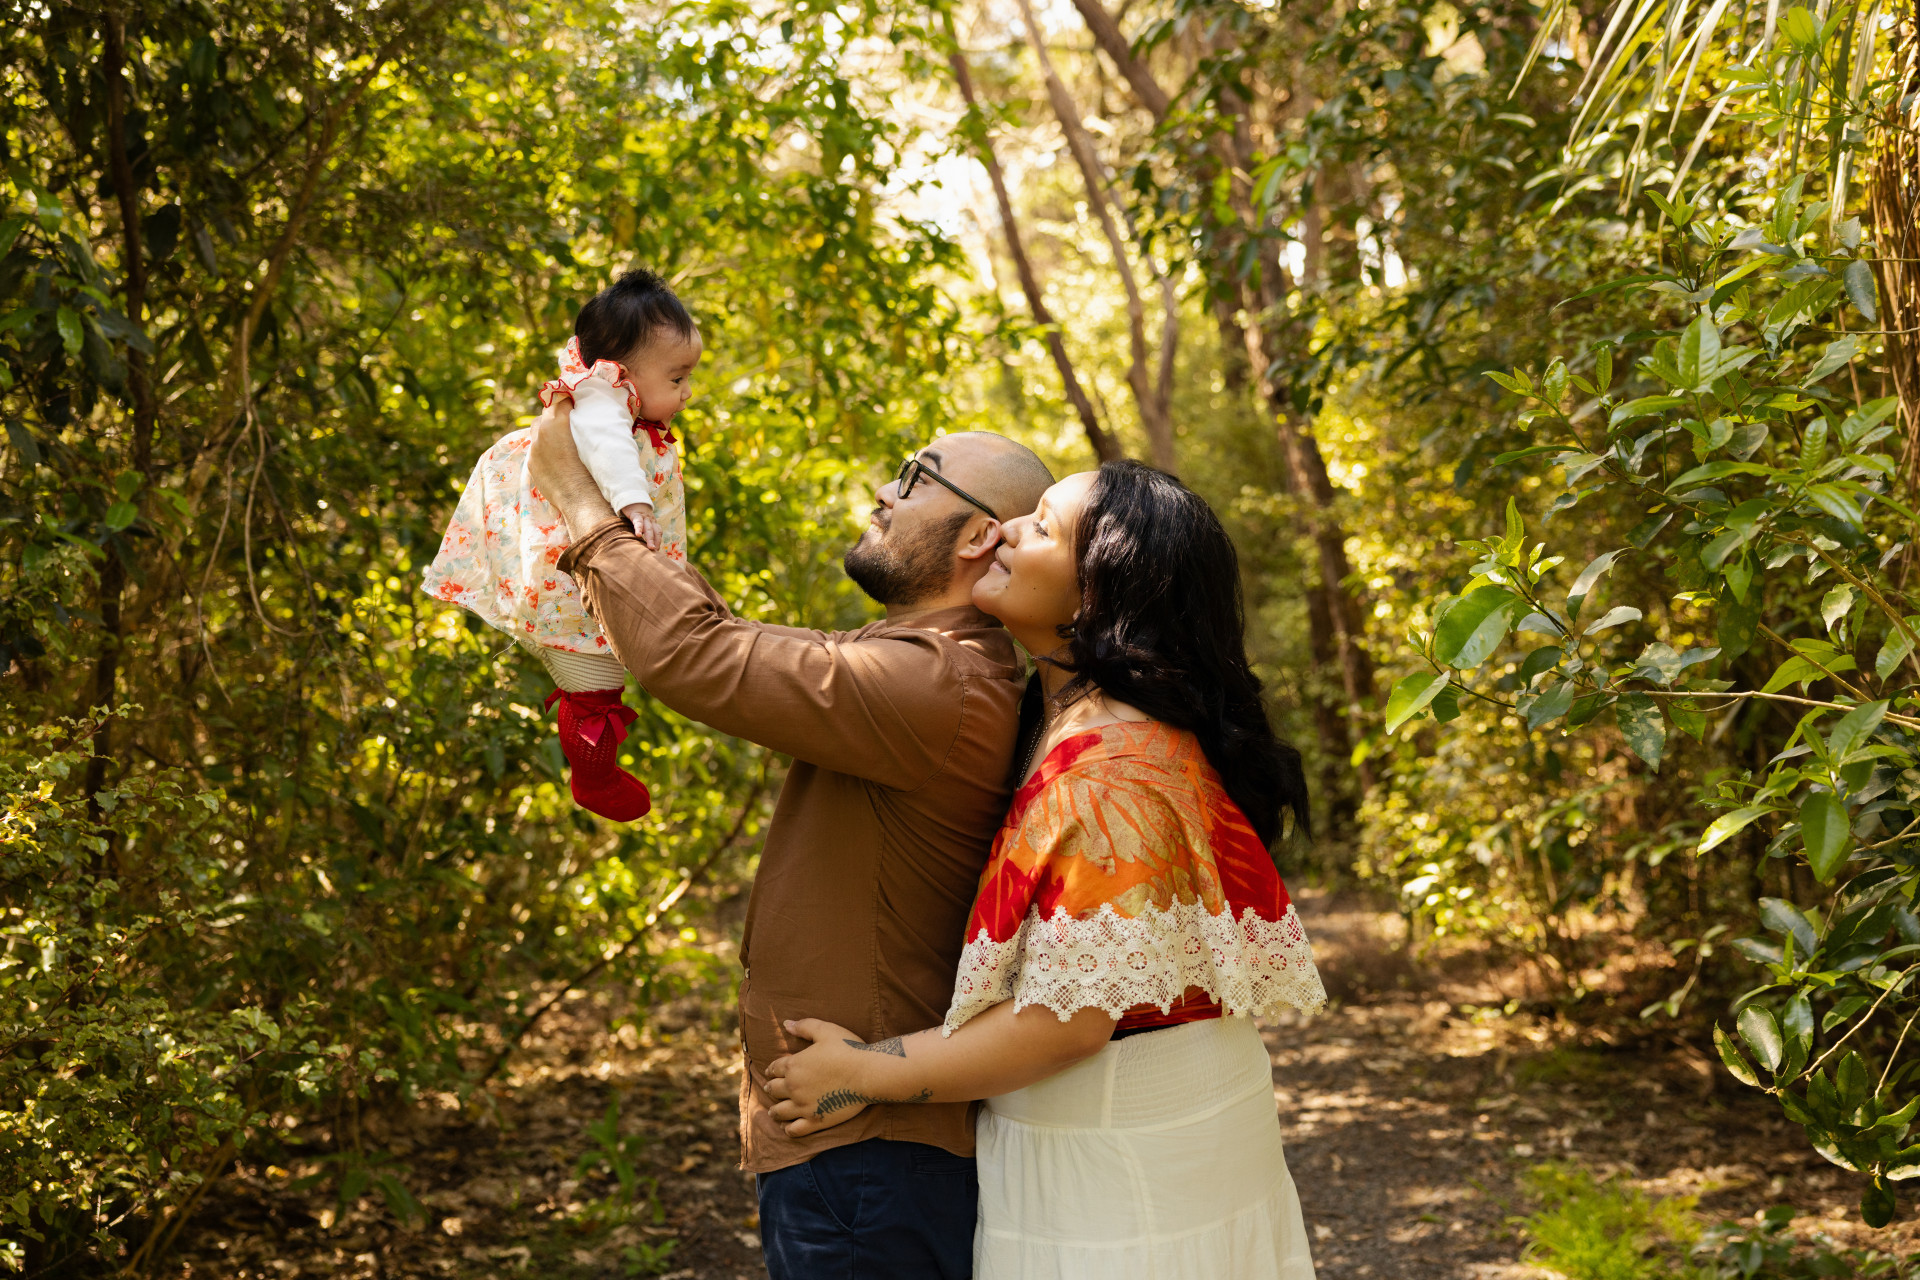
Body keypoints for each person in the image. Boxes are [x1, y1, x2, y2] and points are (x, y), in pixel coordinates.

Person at [523, 399, 1056, 1279]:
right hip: (854, 1149)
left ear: (976, 538)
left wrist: (581, 504)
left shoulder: (938, 683)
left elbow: (696, 656)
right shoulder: (916, 658)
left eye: (917, 476)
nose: (885, 490)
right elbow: (729, 644)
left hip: (869, 1156)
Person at [765, 460, 1327, 1279]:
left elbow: (1066, 1024)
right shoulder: (1085, 722)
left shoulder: (1107, 768)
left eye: (1043, 526)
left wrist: (862, 1074)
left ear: (1097, 593)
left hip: (1121, 1163)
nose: (1009, 529)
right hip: (1143, 1134)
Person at [423, 268, 702, 821]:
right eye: (676, 378)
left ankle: (594, 772)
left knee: (600, 684)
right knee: (595, 688)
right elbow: (607, 449)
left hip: (576, 572)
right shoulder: (601, 400)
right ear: (620, 371)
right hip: (570, 582)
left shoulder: (609, 399)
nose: (687, 391)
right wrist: (635, 503)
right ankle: (593, 778)